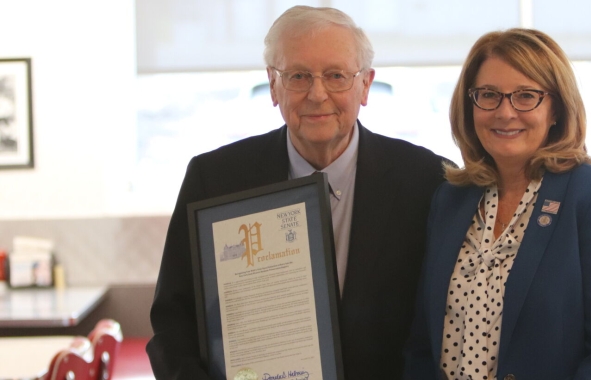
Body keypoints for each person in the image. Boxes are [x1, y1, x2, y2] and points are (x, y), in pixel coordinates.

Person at [147, 6, 449, 380]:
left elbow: (448, 322)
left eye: (336, 75)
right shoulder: (214, 179)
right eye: (298, 76)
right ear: (273, 86)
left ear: (365, 85)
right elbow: (172, 321)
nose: (317, 94)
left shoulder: (428, 182)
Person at [403, 28, 591, 380]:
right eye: (489, 95)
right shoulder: (451, 199)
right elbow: (423, 342)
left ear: (556, 108)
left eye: (526, 96)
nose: (505, 112)